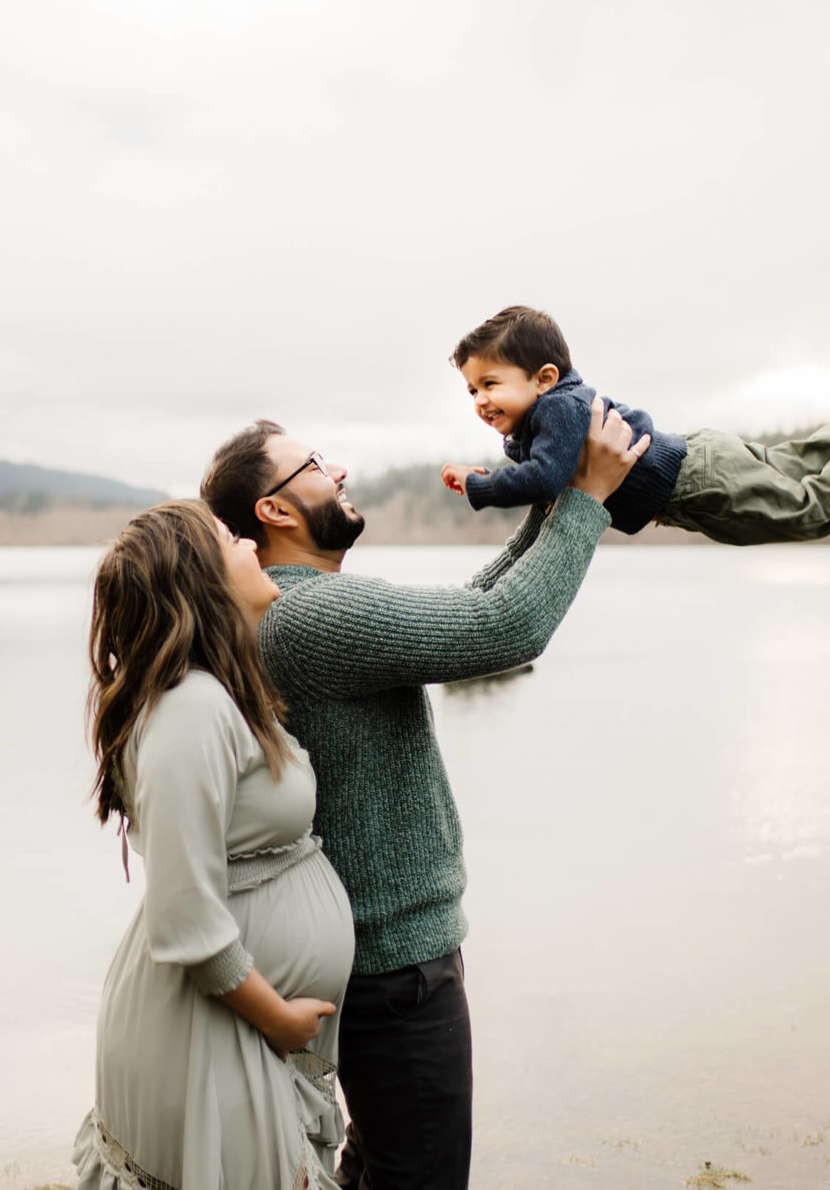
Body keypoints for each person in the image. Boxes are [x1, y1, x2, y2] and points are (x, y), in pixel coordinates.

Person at [199, 404, 643, 1190]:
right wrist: (588, 503)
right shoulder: (308, 612)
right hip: (393, 967)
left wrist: (547, 507)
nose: (338, 472)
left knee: (376, 1164)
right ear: (273, 510)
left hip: (365, 958)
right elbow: (504, 629)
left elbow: (471, 607)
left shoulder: (295, 607)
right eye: (316, 466)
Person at [72, 499, 356, 1190]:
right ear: (198, 578)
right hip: (214, 1026)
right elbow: (185, 917)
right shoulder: (192, 708)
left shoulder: (220, 696)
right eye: (231, 538)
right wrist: (282, 1020)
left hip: (233, 1022)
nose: (251, 544)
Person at [440, 305, 830, 542]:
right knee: (798, 463)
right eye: (471, 390)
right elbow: (546, 466)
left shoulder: (558, 406)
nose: (480, 400)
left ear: (544, 377)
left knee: (813, 512)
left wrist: (481, 485)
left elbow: (544, 477)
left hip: (695, 484)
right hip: (695, 459)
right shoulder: (552, 410)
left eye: (490, 385)